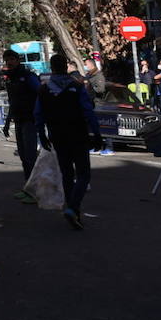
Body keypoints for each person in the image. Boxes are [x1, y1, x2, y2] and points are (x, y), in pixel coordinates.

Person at [35, 53, 103, 230]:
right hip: (77, 134)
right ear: (66, 66)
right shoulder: (76, 86)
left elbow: (38, 114)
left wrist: (41, 135)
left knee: (67, 173)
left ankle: (73, 210)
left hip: (57, 136)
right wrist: (97, 134)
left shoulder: (44, 89)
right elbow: (88, 111)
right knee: (83, 174)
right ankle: (73, 208)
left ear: (51, 67)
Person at [1, 49, 41, 203]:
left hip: (29, 120)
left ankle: (35, 191)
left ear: (17, 60)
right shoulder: (10, 78)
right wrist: (6, 123)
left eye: (11, 59)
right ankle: (28, 188)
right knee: (24, 157)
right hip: (18, 120)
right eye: (7, 60)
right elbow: (13, 102)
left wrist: (39, 116)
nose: (9, 62)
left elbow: (40, 93)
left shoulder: (28, 76)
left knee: (30, 157)